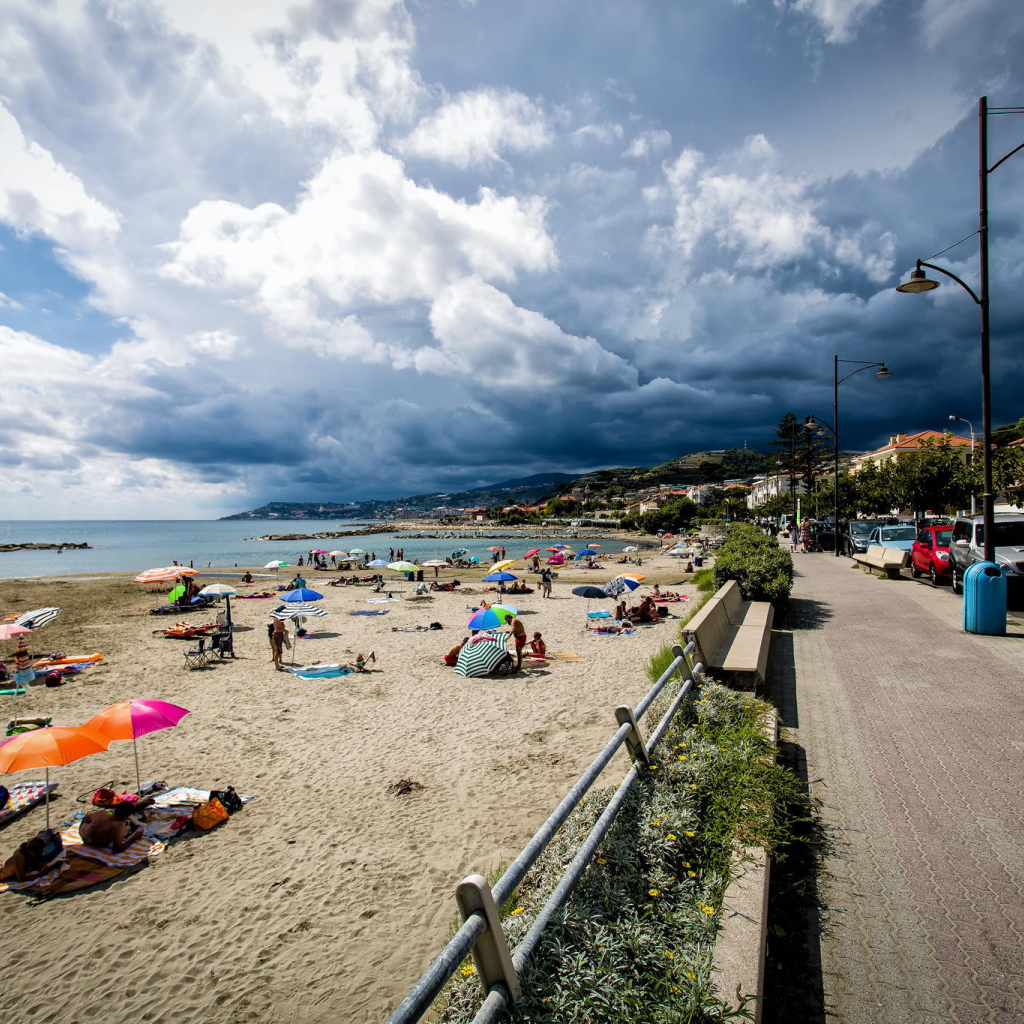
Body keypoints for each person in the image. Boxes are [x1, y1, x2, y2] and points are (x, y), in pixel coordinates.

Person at [80, 798, 154, 852]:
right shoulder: (119, 825)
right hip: (97, 843)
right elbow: (117, 849)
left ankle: (146, 802)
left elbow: (85, 819)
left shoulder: (102, 813)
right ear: (126, 817)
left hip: (84, 836)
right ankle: (145, 803)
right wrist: (134, 838)